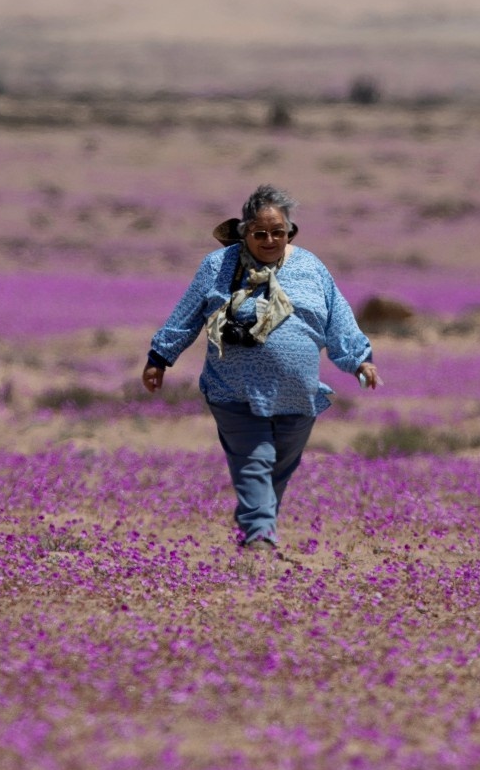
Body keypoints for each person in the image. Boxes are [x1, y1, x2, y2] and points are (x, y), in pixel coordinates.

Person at [144, 184, 379, 556]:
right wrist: (160, 358)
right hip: (233, 390)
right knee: (255, 460)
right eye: (259, 233)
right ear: (244, 233)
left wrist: (359, 360)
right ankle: (259, 539)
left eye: (278, 232)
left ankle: (257, 522)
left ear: (290, 232)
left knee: (277, 469)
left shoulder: (310, 267)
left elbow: (338, 319)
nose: (269, 240)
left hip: (296, 394)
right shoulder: (218, 267)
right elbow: (187, 314)